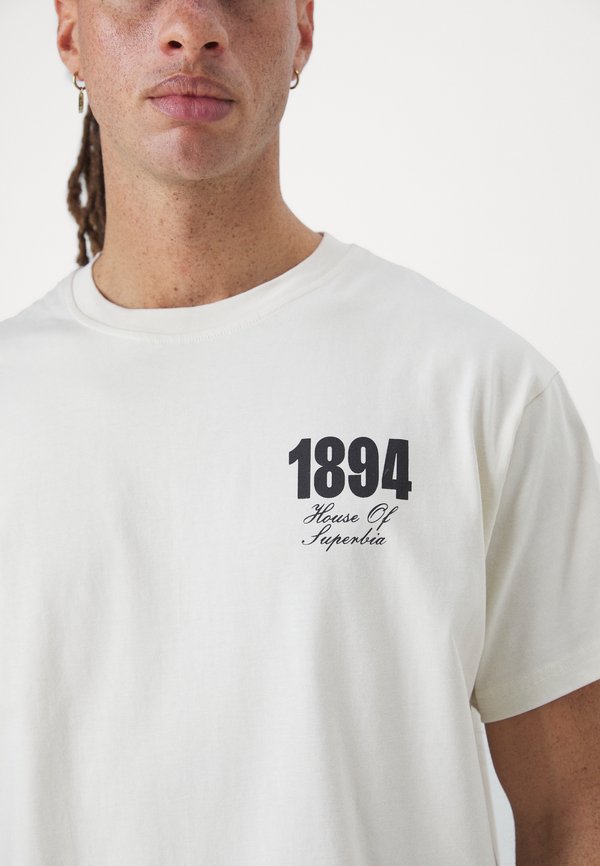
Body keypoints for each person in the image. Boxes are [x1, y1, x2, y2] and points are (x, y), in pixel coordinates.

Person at [0, 1, 598, 864]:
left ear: (302, 31)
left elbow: (577, 815)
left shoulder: (481, 391)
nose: (191, 27)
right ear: (70, 33)